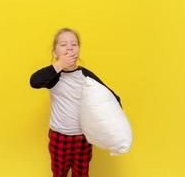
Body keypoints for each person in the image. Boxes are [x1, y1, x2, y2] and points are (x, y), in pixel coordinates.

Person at [29, 28, 122, 177]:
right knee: (59, 174)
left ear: (78, 50)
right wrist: (59, 64)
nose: (70, 47)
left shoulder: (85, 75)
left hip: (83, 138)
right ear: (55, 52)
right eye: (63, 44)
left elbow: (112, 98)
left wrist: (114, 126)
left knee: (82, 174)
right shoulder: (53, 76)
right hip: (59, 136)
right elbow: (34, 82)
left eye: (74, 44)